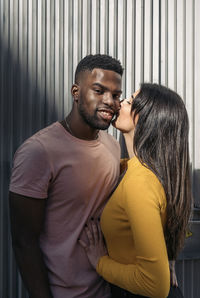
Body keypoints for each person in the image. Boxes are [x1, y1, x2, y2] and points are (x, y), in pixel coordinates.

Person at [9, 54, 124, 298]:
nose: (109, 102)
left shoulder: (113, 146)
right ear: (76, 91)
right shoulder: (38, 152)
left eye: (115, 95)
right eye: (99, 91)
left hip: (108, 288)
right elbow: (24, 241)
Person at [79, 83, 192, 298]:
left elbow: (155, 285)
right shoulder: (134, 168)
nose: (119, 103)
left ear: (145, 119)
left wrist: (100, 263)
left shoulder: (140, 182)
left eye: (129, 101)